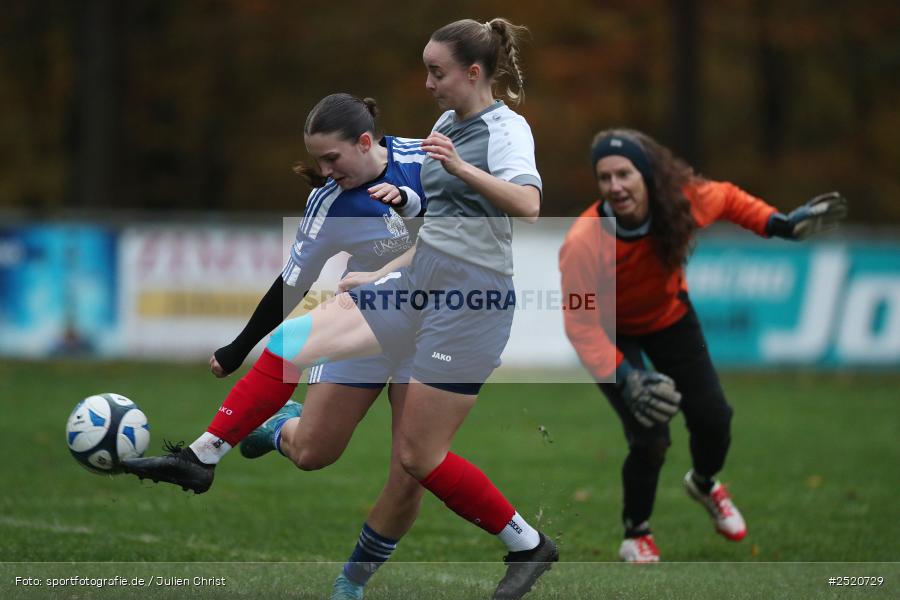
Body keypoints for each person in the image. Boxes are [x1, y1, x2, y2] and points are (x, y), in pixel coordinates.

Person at [123, 18, 557, 600]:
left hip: (469, 304)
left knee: (416, 462)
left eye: (437, 71)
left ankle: (525, 546)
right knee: (289, 345)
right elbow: (443, 223)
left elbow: (528, 207)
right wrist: (382, 269)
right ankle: (202, 457)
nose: (427, 82)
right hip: (418, 282)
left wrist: (458, 168)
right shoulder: (444, 125)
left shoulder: (506, 130)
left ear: (473, 73)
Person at [559, 127, 848, 562]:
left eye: (624, 173)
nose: (615, 186)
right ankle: (636, 534)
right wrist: (627, 376)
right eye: (604, 178)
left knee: (715, 418)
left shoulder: (682, 200)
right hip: (611, 334)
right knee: (650, 436)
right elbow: (580, 325)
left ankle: (704, 482)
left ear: (647, 174)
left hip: (668, 317)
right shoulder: (583, 241)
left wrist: (781, 225)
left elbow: (729, 198)